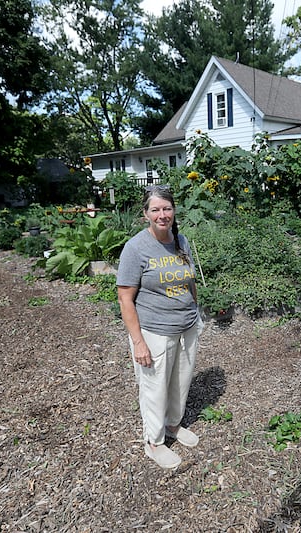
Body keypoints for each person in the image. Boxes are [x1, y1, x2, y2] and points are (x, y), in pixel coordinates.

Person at [116, 185, 203, 469]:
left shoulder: (181, 240)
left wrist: (196, 311)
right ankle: (153, 442)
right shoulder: (136, 248)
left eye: (167, 208)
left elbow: (190, 280)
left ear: (173, 211)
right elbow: (125, 298)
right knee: (154, 388)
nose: (162, 215)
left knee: (180, 381)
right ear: (146, 214)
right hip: (154, 330)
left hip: (186, 326)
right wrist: (138, 342)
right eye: (155, 209)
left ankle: (173, 425)